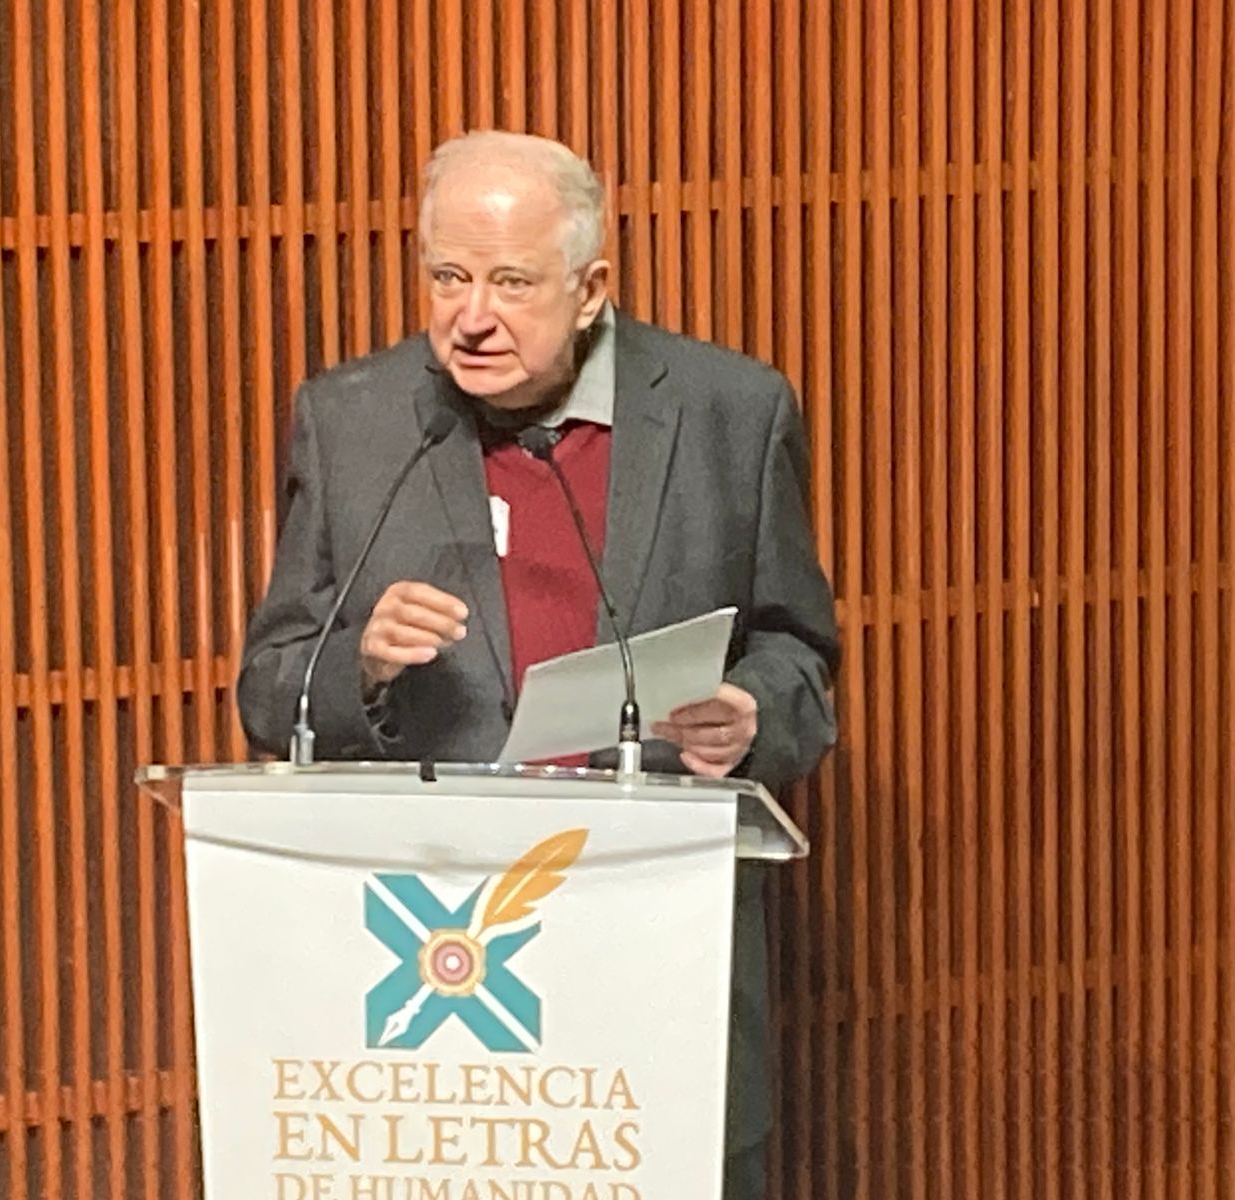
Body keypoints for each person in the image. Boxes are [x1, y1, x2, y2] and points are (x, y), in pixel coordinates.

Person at [237, 130, 838, 1200]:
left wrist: (752, 712)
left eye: (511, 283)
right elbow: (269, 685)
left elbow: (799, 652)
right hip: (428, 986)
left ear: (591, 288)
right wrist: (358, 666)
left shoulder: (730, 412)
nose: (472, 317)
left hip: (656, 947)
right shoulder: (352, 420)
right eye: (447, 278)